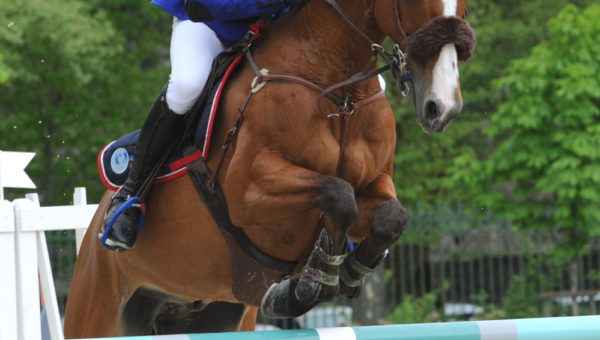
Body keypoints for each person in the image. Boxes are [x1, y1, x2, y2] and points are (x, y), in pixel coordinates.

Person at [99, 0, 308, 251]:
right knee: (186, 86)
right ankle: (130, 194)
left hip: (275, 33)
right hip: (208, 23)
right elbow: (203, 6)